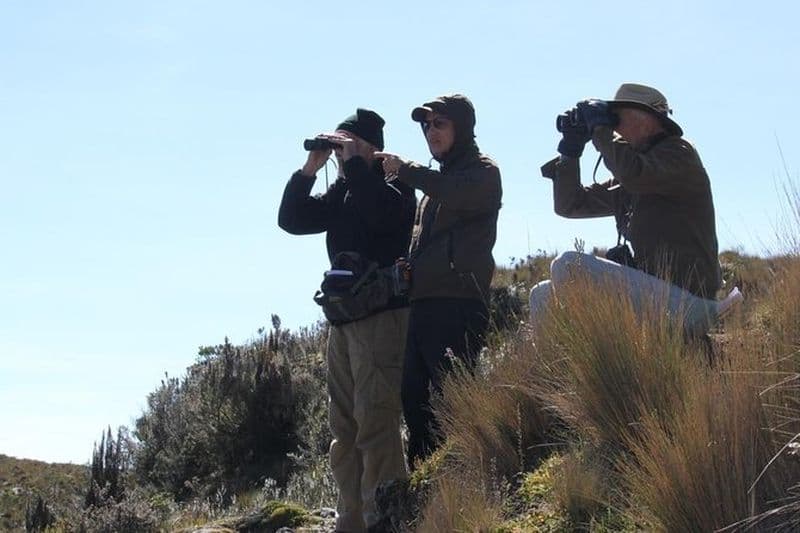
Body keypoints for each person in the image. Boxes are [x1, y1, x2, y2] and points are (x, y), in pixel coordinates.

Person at [277, 108, 416, 533]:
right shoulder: (342, 189)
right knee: (344, 428)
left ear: (372, 147)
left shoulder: (395, 183)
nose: (342, 152)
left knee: (376, 422)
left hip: (381, 318)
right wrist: (310, 169)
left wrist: (358, 164)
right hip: (343, 321)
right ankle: (351, 520)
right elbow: (293, 220)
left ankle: (385, 520)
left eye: (349, 143)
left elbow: (383, 217)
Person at [532, 83, 722, 337]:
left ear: (650, 118)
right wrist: (571, 151)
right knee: (542, 294)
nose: (615, 124)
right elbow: (571, 204)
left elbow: (635, 174)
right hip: (658, 294)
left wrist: (600, 129)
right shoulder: (631, 173)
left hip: (690, 301)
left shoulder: (679, 154)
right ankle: (555, 373)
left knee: (569, 266)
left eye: (619, 115)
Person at [376, 94, 502, 468]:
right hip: (425, 303)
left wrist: (406, 170)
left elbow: (457, 193)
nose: (431, 131)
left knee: (455, 399)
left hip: (458, 303)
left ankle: (477, 477)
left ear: (461, 128)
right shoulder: (437, 182)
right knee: (415, 401)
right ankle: (426, 491)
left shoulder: (482, 171)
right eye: (426, 125)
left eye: (440, 124)